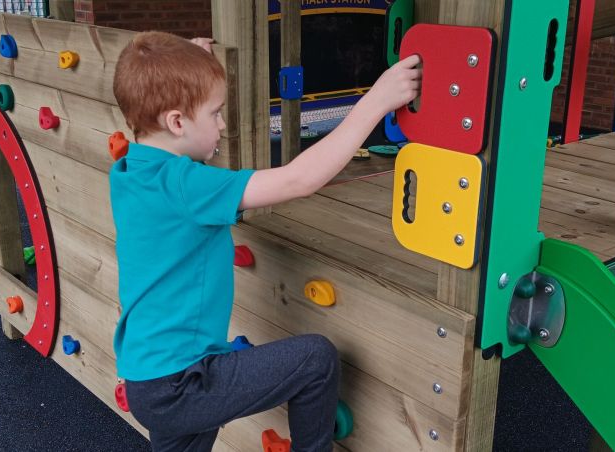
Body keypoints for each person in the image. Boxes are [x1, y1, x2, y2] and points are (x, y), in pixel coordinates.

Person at [109, 31, 421, 451]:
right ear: (177, 122)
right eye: (215, 113)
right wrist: (376, 101)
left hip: (147, 381)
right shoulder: (186, 185)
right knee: (316, 359)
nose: (222, 124)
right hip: (184, 382)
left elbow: (165, 123)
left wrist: (191, 67)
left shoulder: (130, 171)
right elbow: (298, 179)